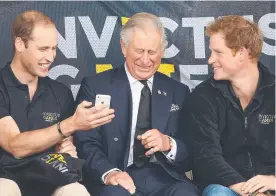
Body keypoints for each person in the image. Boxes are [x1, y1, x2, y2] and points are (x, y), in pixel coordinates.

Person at [74, 12, 199, 196]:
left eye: (152, 52)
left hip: (165, 178)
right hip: (117, 177)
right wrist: (110, 173)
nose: (146, 60)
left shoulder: (178, 91)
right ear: (124, 48)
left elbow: (192, 150)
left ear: (162, 51)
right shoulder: (95, 86)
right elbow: (86, 144)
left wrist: (168, 144)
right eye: (139, 51)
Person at [0, 10, 115, 196]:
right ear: (20, 44)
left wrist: (67, 148)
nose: (51, 57)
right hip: (6, 178)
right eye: (43, 49)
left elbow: (65, 146)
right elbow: (15, 146)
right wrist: (69, 125)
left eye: (54, 48)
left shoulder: (60, 92)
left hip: (49, 178)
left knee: (76, 191)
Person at [186, 15, 275, 196]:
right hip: (228, 187)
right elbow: (206, 156)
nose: (210, 60)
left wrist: (273, 180)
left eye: (218, 53)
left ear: (242, 53)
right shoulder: (203, 96)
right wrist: (251, 192)